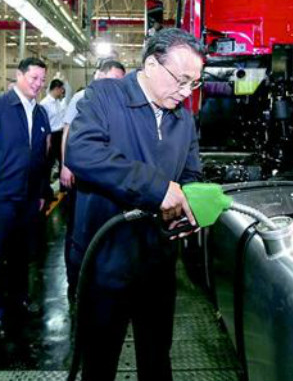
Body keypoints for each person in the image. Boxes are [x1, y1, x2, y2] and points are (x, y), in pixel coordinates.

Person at [66, 28, 204, 381]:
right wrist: (157, 189)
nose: (187, 91)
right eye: (182, 80)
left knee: (157, 359)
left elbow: (191, 173)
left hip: (157, 262)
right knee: (99, 363)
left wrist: (190, 206)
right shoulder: (105, 96)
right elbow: (81, 152)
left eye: (194, 83)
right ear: (151, 64)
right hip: (104, 261)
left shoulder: (183, 118)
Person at [0, 57, 51, 339]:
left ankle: (19, 299)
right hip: (1, 196)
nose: (38, 84)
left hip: (28, 197)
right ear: (18, 75)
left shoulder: (40, 112)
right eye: (34, 78)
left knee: (21, 253)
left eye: (42, 80)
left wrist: (41, 192)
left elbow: (41, 157)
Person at [59, 59, 125, 303]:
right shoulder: (83, 97)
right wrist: (66, 165)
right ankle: (74, 281)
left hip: (103, 177)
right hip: (82, 174)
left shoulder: (116, 102)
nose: (117, 85)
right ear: (100, 75)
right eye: (114, 79)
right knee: (78, 228)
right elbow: (68, 131)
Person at [40, 79, 67, 177]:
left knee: (62, 160)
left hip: (60, 134)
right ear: (56, 89)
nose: (62, 92)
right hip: (51, 136)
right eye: (61, 89)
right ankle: (45, 184)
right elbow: (43, 123)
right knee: (48, 163)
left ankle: (63, 183)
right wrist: (48, 139)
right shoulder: (44, 104)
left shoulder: (57, 102)